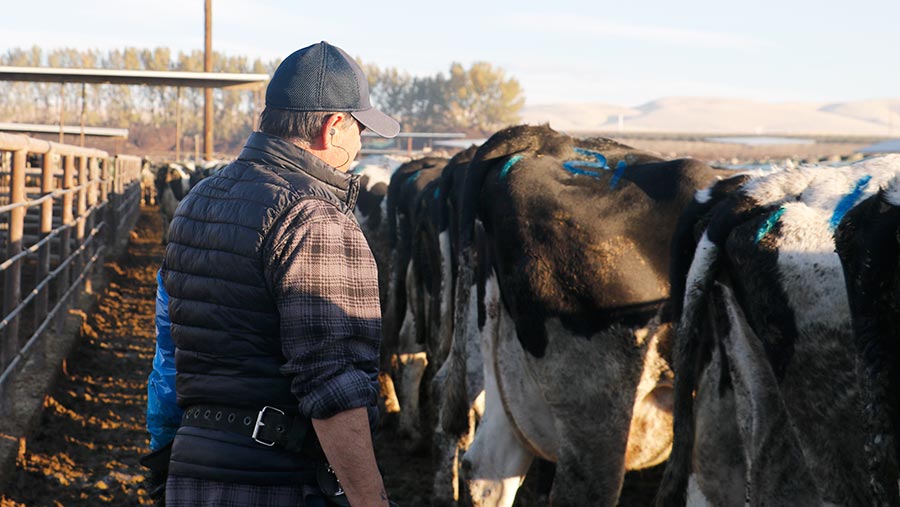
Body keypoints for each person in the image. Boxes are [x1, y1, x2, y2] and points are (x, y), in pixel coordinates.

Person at [142, 41, 400, 507]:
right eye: (360, 128)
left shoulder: (197, 201)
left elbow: (169, 348)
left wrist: (166, 448)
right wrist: (371, 500)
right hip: (277, 481)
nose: (361, 144)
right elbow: (332, 382)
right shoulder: (315, 219)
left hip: (193, 475)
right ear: (333, 126)